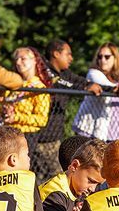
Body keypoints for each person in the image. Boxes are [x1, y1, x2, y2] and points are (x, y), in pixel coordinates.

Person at [36, 40, 106, 179]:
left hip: (53, 139)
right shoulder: (43, 70)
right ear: (56, 54)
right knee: (54, 177)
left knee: (52, 177)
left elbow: (81, 82)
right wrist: (84, 87)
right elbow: (64, 83)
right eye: (68, 54)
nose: (71, 58)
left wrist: (111, 89)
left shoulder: (66, 73)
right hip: (36, 136)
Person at [2, 47, 51, 138]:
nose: (18, 62)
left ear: (34, 61)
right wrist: (5, 110)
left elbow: (42, 120)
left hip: (27, 135)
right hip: (8, 132)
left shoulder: (39, 88)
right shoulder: (13, 84)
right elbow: (1, 108)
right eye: (16, 59)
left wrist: (16, 117)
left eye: (23, 59)